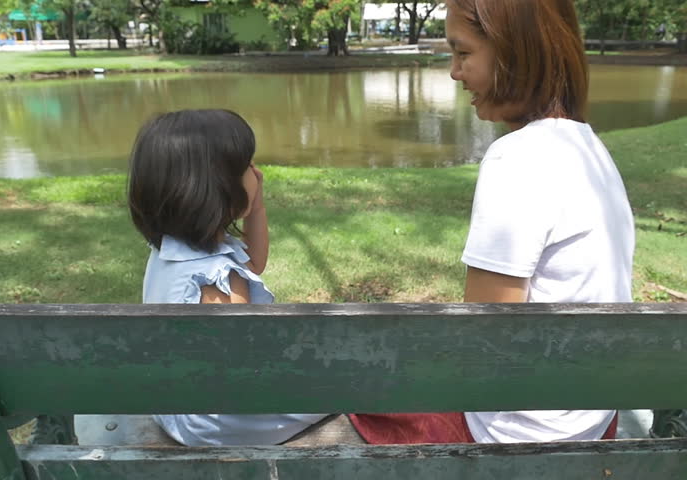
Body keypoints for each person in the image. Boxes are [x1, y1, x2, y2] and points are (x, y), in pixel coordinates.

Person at [353, 0, 634, 445]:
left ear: (515, 52)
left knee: (358, 374)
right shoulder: (590, 149)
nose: (453, 71)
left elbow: (485, 337)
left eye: (463, 53)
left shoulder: (517, 158)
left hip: (521, 434)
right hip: (593, 417)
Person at [127, 109, 329, 446]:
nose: (257, 171)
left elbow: (256, 261)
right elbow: (240, 373)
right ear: (218, 187)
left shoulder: (171, 248)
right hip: (215, 421)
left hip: (170, 400)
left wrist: (257, 205)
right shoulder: (218, 279)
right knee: (342, 381)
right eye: (248, 166)